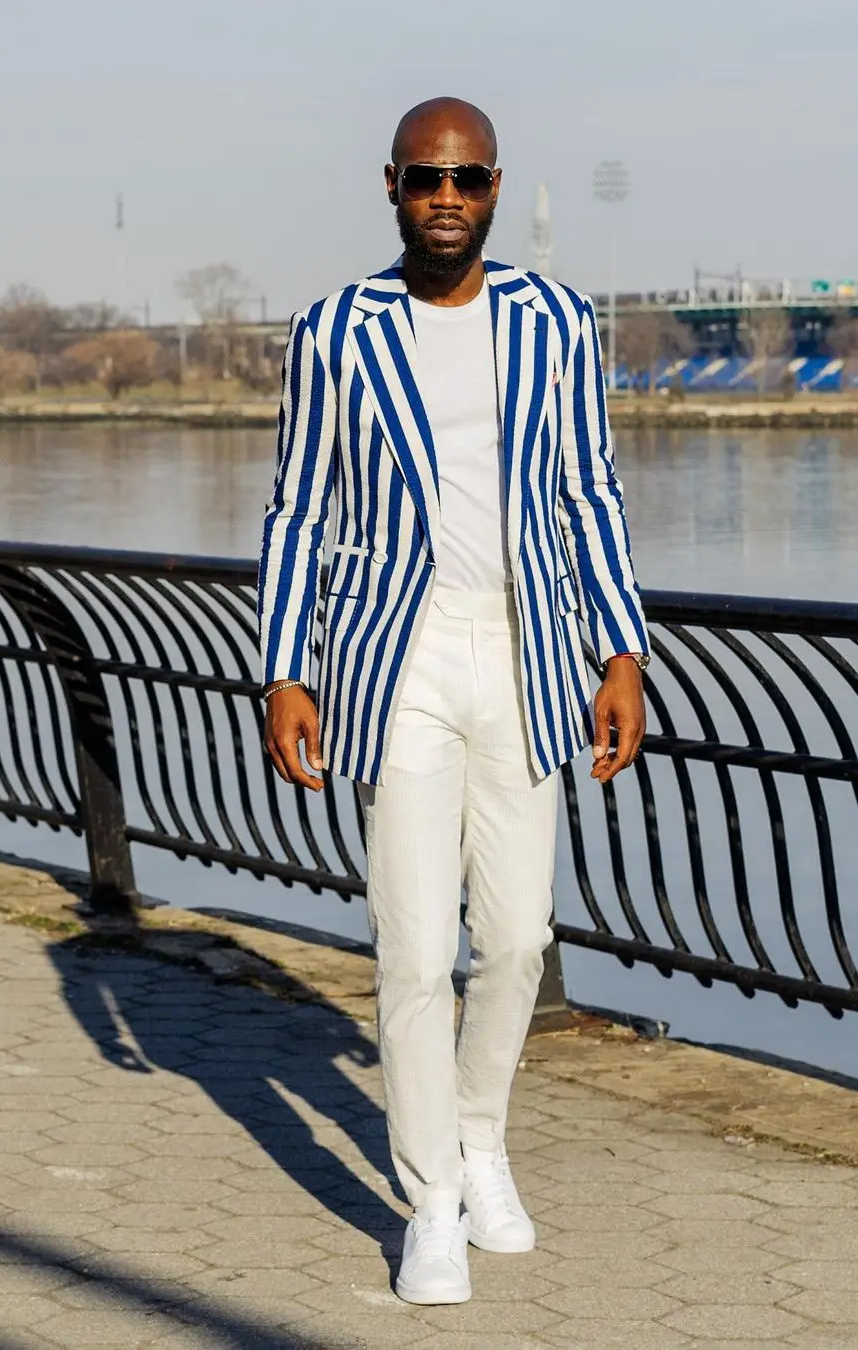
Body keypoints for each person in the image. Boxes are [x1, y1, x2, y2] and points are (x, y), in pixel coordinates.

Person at [258, 97, 649, 1306]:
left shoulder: (557, 323)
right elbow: (296, 510)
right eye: (427, 177)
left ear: (493, 189)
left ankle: (482, 1136)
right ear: (390, 186)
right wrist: (284, 667)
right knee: (417, 948)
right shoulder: (335, 330)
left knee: (522, 938)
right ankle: (429, 1197)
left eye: (468, 178)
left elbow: (589, 490)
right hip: (397, 659)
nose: (447, 196)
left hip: (529, 653)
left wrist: (623, 653)